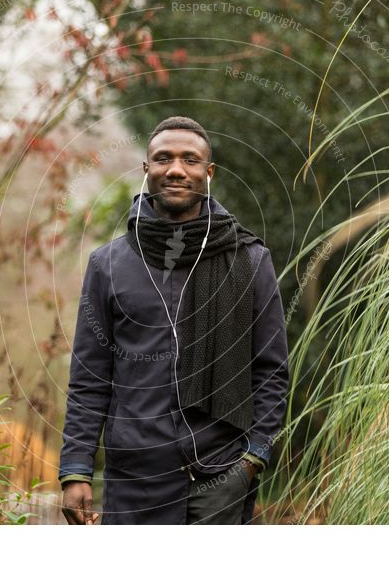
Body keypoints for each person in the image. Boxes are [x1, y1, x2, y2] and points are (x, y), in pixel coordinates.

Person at [58, 116, 289, 525]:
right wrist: (75, 468)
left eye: (190, 159)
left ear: (208, 172)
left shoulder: (250, 260)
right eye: (163, 158)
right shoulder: (108, 264)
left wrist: (253, 460)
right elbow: (90, 377)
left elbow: (271, 372)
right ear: (147, 169)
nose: (176, 169)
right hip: (134, 481)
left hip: (221, 475)